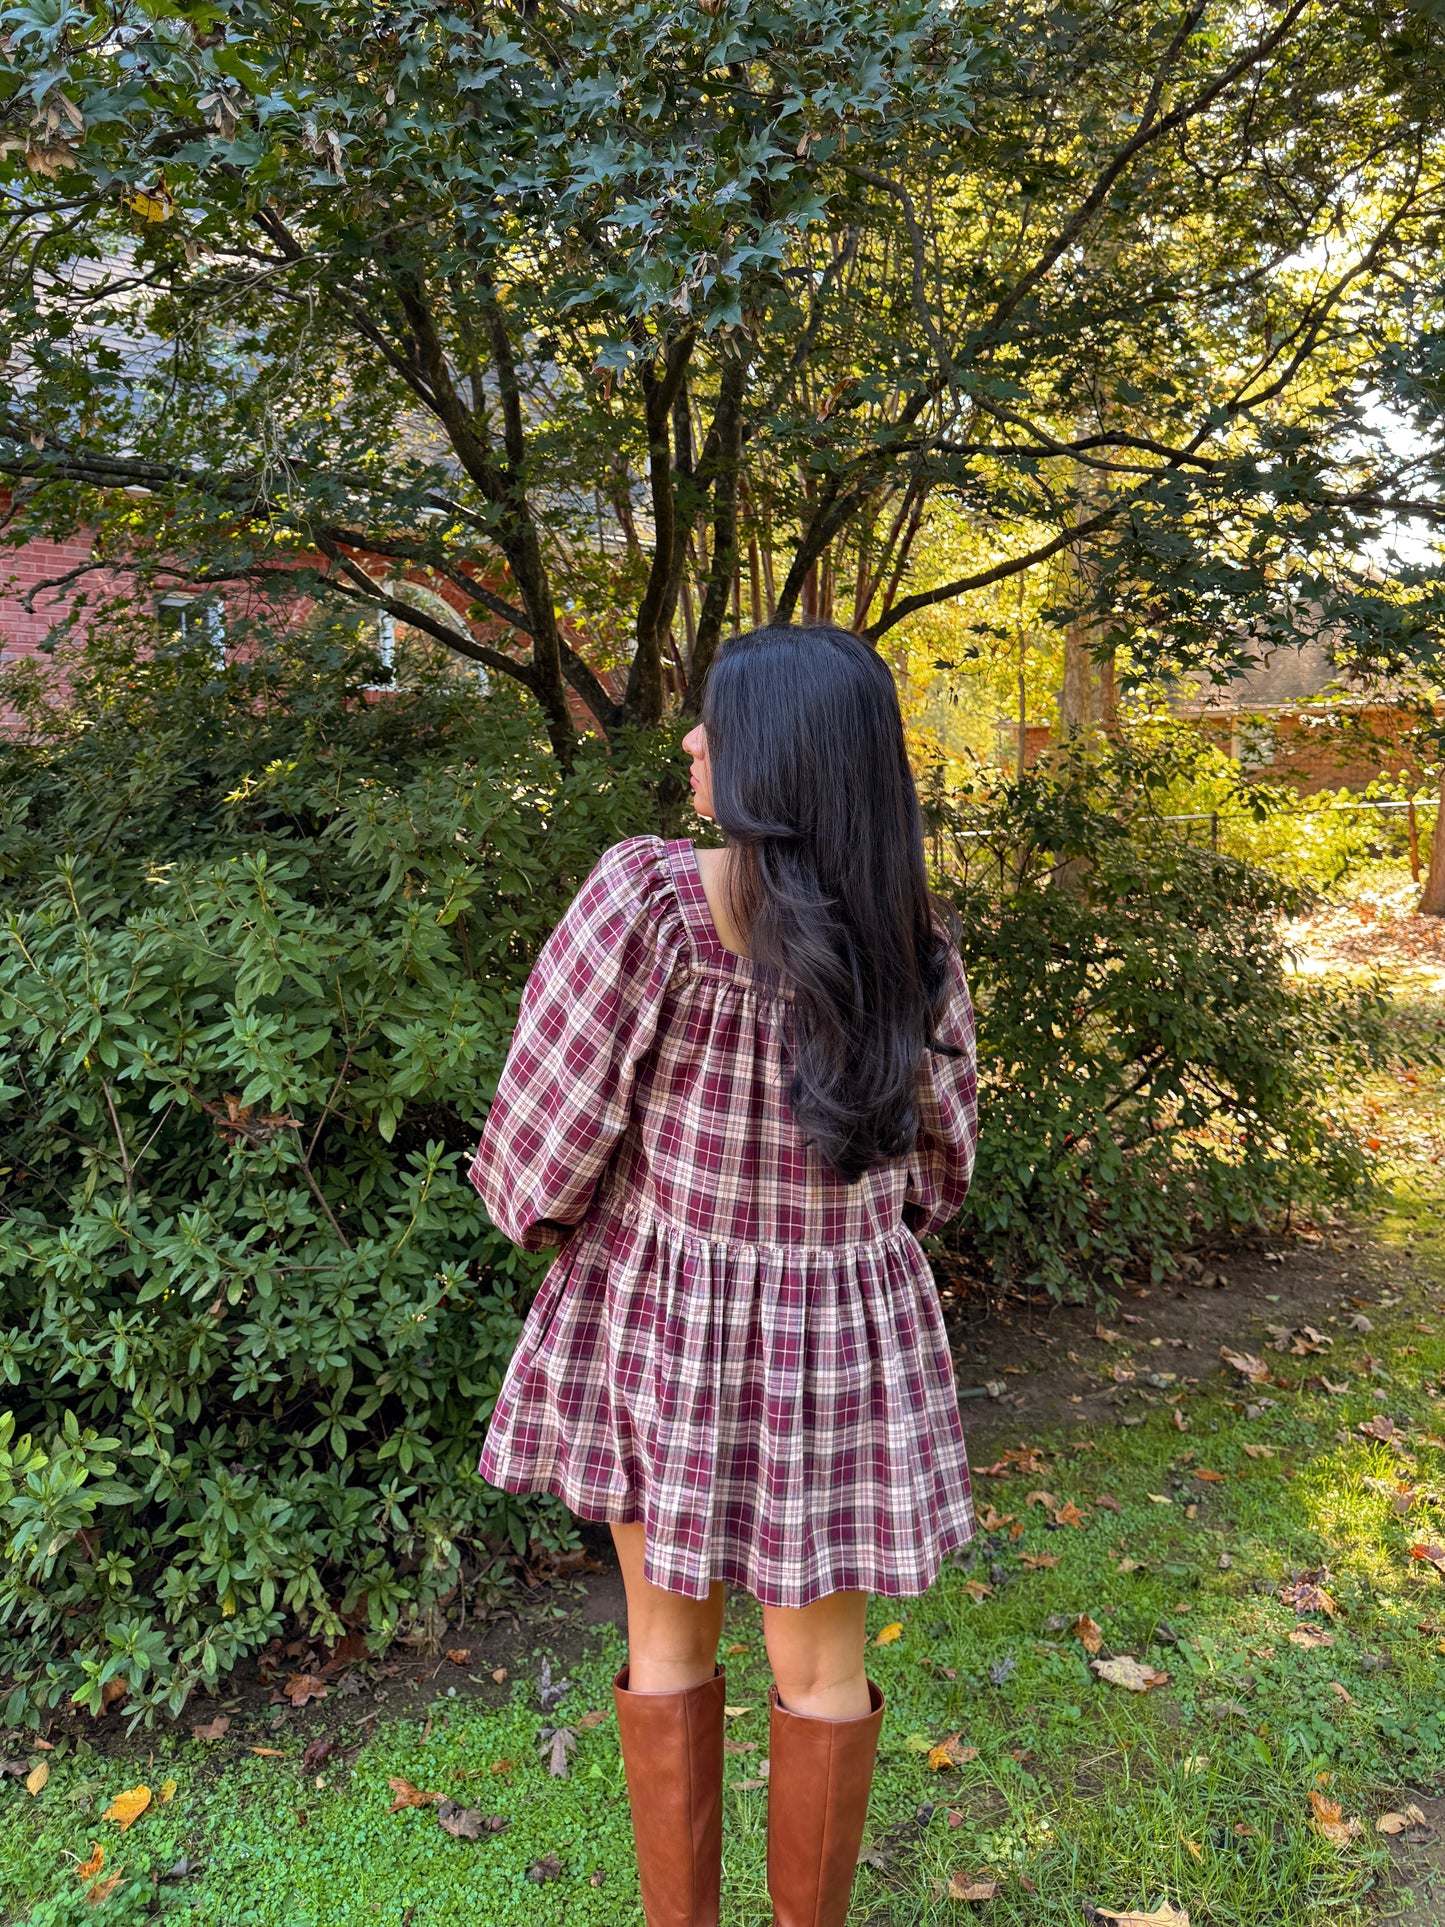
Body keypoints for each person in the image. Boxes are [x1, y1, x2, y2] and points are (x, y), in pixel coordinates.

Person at [469, 623, 978, 1927]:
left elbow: (543, 1143)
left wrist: (547, 1224)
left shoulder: (649, 901)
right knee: (819, 1670)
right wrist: (838, 1254)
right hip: (846, 1342)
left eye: (717, 724)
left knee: (666, 1644)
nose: (692, 743)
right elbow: (938, 1169)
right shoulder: (912, 947)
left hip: (663, 1332)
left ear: (779, 756)